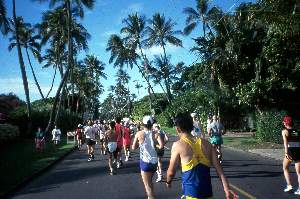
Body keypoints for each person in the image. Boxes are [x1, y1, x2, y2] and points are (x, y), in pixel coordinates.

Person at [166, 112, 238, 199]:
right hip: (208, 194)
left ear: (178, 129)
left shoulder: (178, 145)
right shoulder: (207, 144)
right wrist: (227, 189)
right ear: (192, 126)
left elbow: (171, 172)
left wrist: (168, 182)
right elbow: (220, 170)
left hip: (191, 194)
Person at [132, 116, 163, 199]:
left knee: (148, 186)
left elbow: (133, 147)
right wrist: (155, 145)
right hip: (154, 162)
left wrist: (141, 143)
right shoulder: (156, 133)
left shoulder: (139, 133)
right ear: (152, 124)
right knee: (150, 183)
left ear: (143, 124)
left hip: (145, 162)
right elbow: (161, 146)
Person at [282, 115, 300, 195]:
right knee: (299, 172)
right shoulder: (296, 131)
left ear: (285, 123)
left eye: (284, 121)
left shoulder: (284, 131)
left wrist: (286, 153)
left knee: (285, 168)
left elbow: (285, 143)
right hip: (298, 150)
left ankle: (289, 185)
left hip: (290, 150)